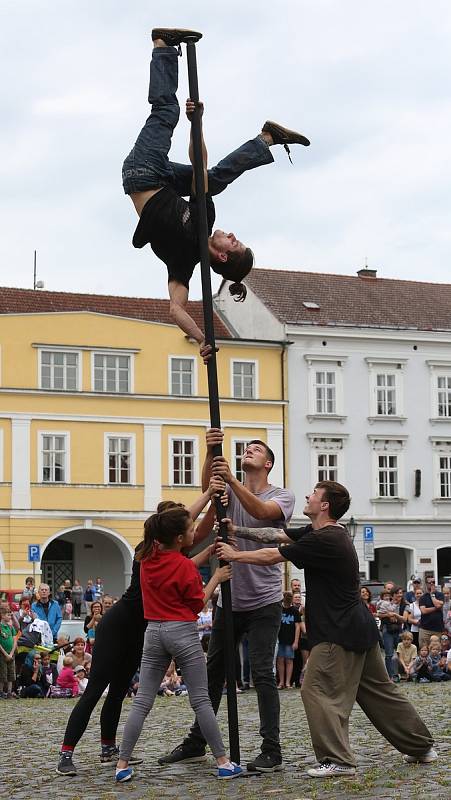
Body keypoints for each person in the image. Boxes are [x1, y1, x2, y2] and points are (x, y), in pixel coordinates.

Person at [217, 480, 437, 778]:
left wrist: (235, 556)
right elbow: (275, 535)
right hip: (358, 628)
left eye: (314, 494)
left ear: (324, 506)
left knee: (315, 689)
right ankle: (422, 746)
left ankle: (338, 760)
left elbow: (274, 555)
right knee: (380, 693)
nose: (307, 496)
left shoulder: (324, 540)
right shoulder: (321, 533)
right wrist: (237, 532)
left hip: (339, 632)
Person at [123, 28, 310, 361]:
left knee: (167, 112)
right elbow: (176, 308)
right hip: (161, 179)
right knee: (215, 181)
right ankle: (266, 138)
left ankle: (162, 46)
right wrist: (200, 340)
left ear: (223, 256)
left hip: (144, 171)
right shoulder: (191, 249)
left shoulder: (193, 244)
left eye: (234, 243)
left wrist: (200, 340)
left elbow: (175, 310)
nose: (233, 236)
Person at [57, 477, 225, 777]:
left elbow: (187, 549)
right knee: (95, 689)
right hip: (118, 624)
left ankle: (109, 748)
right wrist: (210, 494)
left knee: (120, 690)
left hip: (143, 629)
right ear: (167, 530)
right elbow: (189, 524)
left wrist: (211, 540)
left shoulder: (165, 554)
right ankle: (66, 753)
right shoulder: (145, 548)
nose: (186, 527)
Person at [159, 429, 295, 773]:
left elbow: (263, 512)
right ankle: (196, 742)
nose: (248, 451)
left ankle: (271, 749)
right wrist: (210, 453)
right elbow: (207, 506)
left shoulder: (282, 495)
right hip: (229, 599)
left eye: (256, 450)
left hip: (264, 600)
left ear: (268, 463)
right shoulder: (229, 494)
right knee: (213, 672)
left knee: (262, 672)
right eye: (246, 448)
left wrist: (232, 481)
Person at [115, 505, 242, 783]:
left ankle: (122, 764)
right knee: (201, 700)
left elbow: (176, 564)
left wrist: (206, 552)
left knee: (142, 702)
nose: (195, 531)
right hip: (182, 632)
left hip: (153, 631)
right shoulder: (184, 566)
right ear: (180, 539)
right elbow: (198, 602)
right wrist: (217, 578)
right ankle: (223, 761)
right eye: (191, 530)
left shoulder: (145, 557)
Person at [377, 587, 408, 680]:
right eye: (397, 593)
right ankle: (390, 676)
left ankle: (401, 673)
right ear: (393, 595)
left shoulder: (405, 605)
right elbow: (378, 614)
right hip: (387, 629)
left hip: (399, 629)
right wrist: (387, 615)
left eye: (401, 593)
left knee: (401, 652)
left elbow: (404, 619)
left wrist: (395, 615)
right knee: (389, 654)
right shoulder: (386, 603)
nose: (399, 595)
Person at [276, 591, 301, 689]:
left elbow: (297, 626)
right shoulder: (279, 609)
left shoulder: (294, 611)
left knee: (289, 660)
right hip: (280, 639)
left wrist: (296, 641)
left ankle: (287, 682)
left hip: (290, 639)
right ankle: (281, 682)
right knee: (280, 660)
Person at [419, 578, 445, 648]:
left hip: (437, 629)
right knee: (424, 650)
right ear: (426, 584)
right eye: (429, 582)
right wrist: (437, 608)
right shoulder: (423, 597)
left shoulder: (440, 595)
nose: (431, 584)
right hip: (425, 629)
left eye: (433, 582)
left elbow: (437, 605)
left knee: (436, 650)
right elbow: (424, 611)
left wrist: (432, 595)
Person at [0, 607, 17, 698]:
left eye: (10, 615)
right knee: (2, 674)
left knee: (11, 673)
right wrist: (6, 654)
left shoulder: (11, 628)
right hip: (2, 655)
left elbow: (15, 640)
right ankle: (1, 692)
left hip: (11, 654)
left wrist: (11, 653)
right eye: (8, 615)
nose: (10, 616)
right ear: (2, 616)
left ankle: (10, 692)